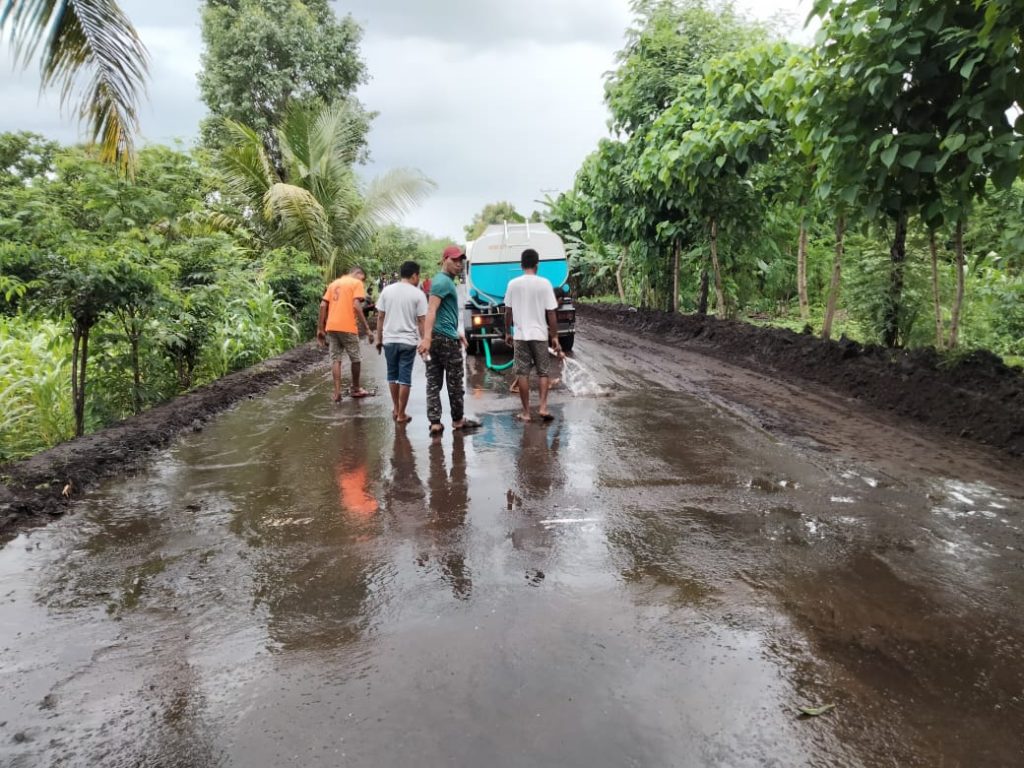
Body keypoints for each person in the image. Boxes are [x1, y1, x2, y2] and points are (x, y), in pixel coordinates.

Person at [417, 245, 482, 436]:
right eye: (454, 260)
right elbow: (431, 310)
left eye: (461, 261)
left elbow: (443, 313)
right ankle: (458, 420)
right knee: (454, 383)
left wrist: (456, 332)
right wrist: (426, 338)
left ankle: (435, 423)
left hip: (444, 336)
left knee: (433, 381)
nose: (458, 264)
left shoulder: (443, 281)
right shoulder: (442, 282)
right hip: (443, 340)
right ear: (444, 259)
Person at [504, 248, 561, 422]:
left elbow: (508, 311)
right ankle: (543, 408)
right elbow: (551, 313)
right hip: (540, 335)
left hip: (521, 335)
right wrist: (555, 337)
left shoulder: (513, 284)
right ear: (537, 265)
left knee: (523, 373)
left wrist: (508, 331)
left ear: (521, 265)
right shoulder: (544, 284)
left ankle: (527, 413)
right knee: (543, 372)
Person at [375, 260, 428, 424]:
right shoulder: (418, 294)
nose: (418, 279)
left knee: (392, 375)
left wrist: (379, 338)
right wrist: (425, 341)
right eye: (418, 275)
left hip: (389, 341)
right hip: (408, 342)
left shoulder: (387, 291)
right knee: (404, 377)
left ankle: (396, 409)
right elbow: (421, 321)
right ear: (414, 275)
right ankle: (401, 414)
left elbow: (380, 317)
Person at [317, 266, 374, 402]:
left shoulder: (334, 284)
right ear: (357, 273)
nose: (363, 282)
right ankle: (356, 388)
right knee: (356, 358)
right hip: (347, 326)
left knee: (336, 358)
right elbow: (356, 305)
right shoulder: (356, 283)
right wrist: (367, 328)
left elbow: (323, 305)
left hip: (331, 326)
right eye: (363, 279)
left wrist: (320, 328)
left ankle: (337, 393)